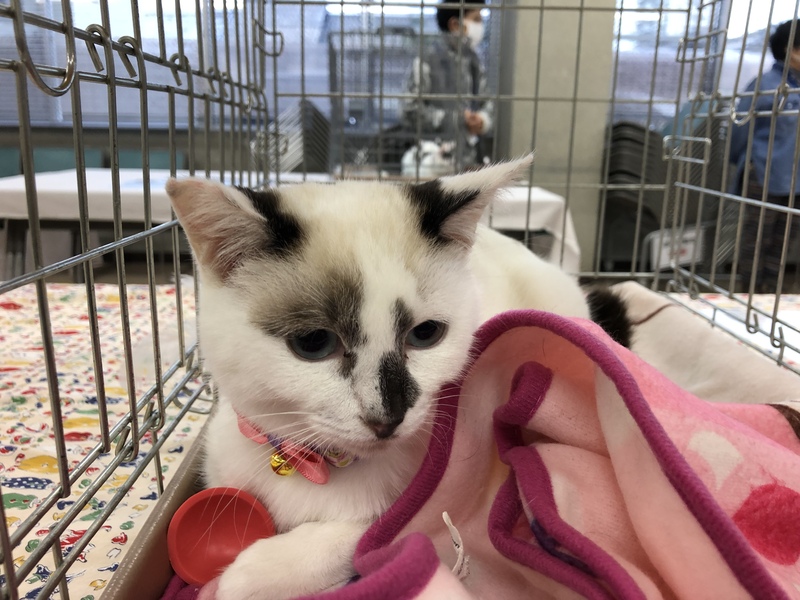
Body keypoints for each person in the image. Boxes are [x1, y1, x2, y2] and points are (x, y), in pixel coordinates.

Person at [729, 19, 800, 292]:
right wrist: (745, 164)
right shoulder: (765, 85)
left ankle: (770, 298)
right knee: (756, 240)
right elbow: (740, 128)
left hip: (796, 182)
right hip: (764, 174)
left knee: (783, 243)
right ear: (791, 51)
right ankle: (748, 295)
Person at [401, 0, 494, 171]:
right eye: (476, 19)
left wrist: (482, 120)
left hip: (468, 161)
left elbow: (487, 103)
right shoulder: (427, 60)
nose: (481, 26)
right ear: (455, 24)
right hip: (430, 161)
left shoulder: (474, 61)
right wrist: (456, 118)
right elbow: (409, 111)